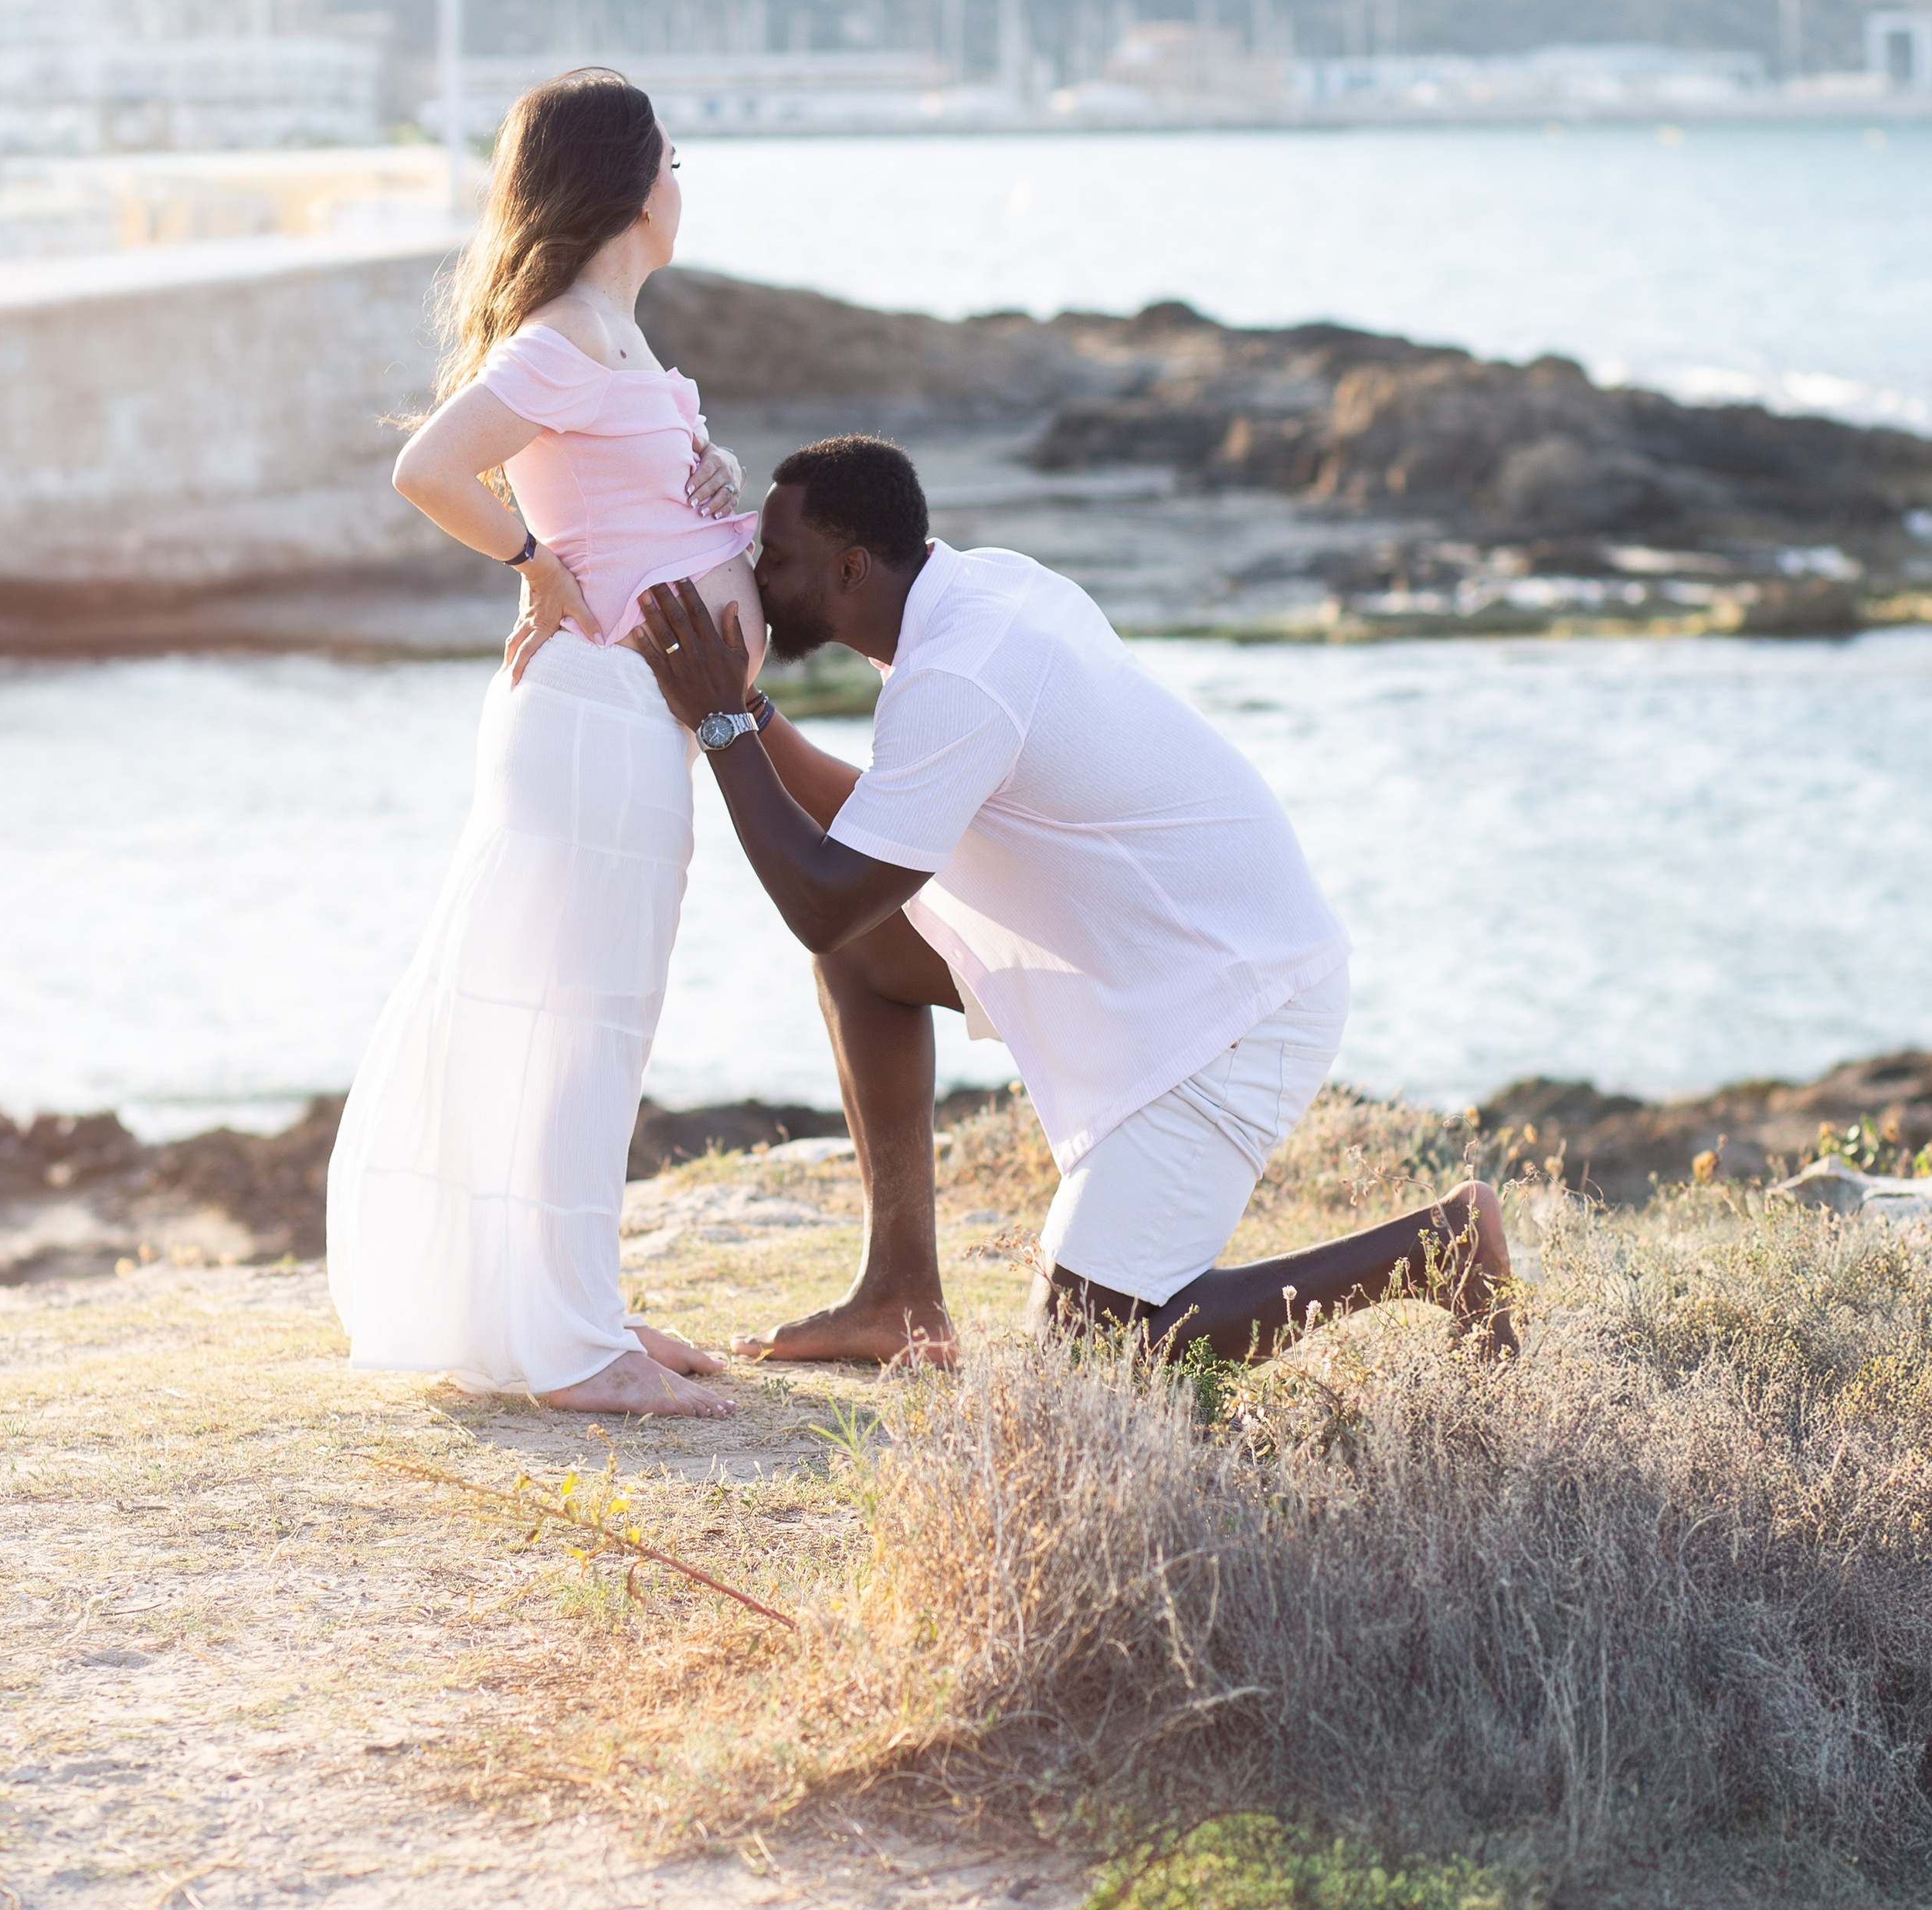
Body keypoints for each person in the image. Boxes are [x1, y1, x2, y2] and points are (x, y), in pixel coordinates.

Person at [633, 435, 1516, 1368]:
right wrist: (754, 718)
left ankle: (1437, 1250)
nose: (755, 577)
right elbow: (874, 845)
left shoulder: (958, 678)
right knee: (863, 952)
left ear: (851, 567)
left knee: (1084, 1361)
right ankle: (898, 1297)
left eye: (775, 559)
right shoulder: (980, 592)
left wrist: (723, 724)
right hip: (1150, 956)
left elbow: (822, 900)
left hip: (1237, 1007)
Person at [325, 69, 759, 1417]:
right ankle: (577, 1357)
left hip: (632, 726)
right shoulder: (562, 340)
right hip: (589, 720)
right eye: (673, 160)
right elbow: (430, 469)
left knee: (594, 1028)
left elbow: (627, 498)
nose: (684, 183)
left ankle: (576, 1314)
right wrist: (532, 564)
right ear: (634, 188)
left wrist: (719, 492)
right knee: (578, 1026)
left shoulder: (620, 343)